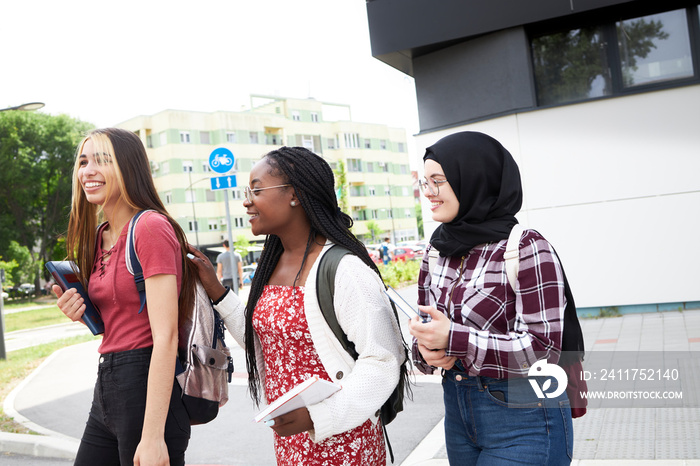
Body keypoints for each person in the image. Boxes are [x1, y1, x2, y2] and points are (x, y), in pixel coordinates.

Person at [187, 146, 405, 465]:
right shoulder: (273, 264)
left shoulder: (345, 269)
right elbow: (266, 343)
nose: (247, 201)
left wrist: (320, 415)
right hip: (293, 445)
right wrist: (216, 290)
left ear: (294, 195)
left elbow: (384, 359)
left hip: (345, 444)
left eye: (257, 190)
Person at [408, 131, 573, 465]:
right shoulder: (436, 251)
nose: (428, 193)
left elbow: (544, 349)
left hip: (525, 417)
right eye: (424, 182)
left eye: (437, 181)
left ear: (473, 178)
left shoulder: (526, 247)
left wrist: (453, 338)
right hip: (457, 413)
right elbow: (428, 326)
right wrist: (425, 349)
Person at [53, 128, 195, 466]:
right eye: (83, 162)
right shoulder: (99, 237)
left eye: (102, 160)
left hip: (145, 385)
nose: (87, 171)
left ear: (128, 168)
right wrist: (81, 311)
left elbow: (165, 335)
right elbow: (119, 319)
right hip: (108, 385)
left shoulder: (149, 227)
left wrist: (152, 436)